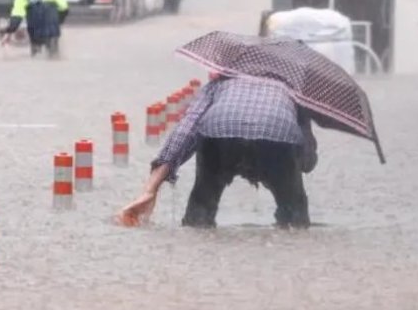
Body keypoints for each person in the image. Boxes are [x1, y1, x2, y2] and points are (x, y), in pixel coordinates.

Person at [118, 74, 318, 229]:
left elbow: (187, 129)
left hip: (219, 134)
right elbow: (307, 160)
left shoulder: (219, 82)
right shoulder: (293, 89)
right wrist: (295, 169)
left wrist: (151, 188)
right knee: (295, 219)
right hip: (275, 135)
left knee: (199, 218)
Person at [0, 0, 69, 57]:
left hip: (35, 25)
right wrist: (59, 20)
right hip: (52, 23)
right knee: (54, 55)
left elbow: (17, 15)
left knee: (36, 55)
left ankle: (37, 51)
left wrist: (9, 29)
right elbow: (64, 6)